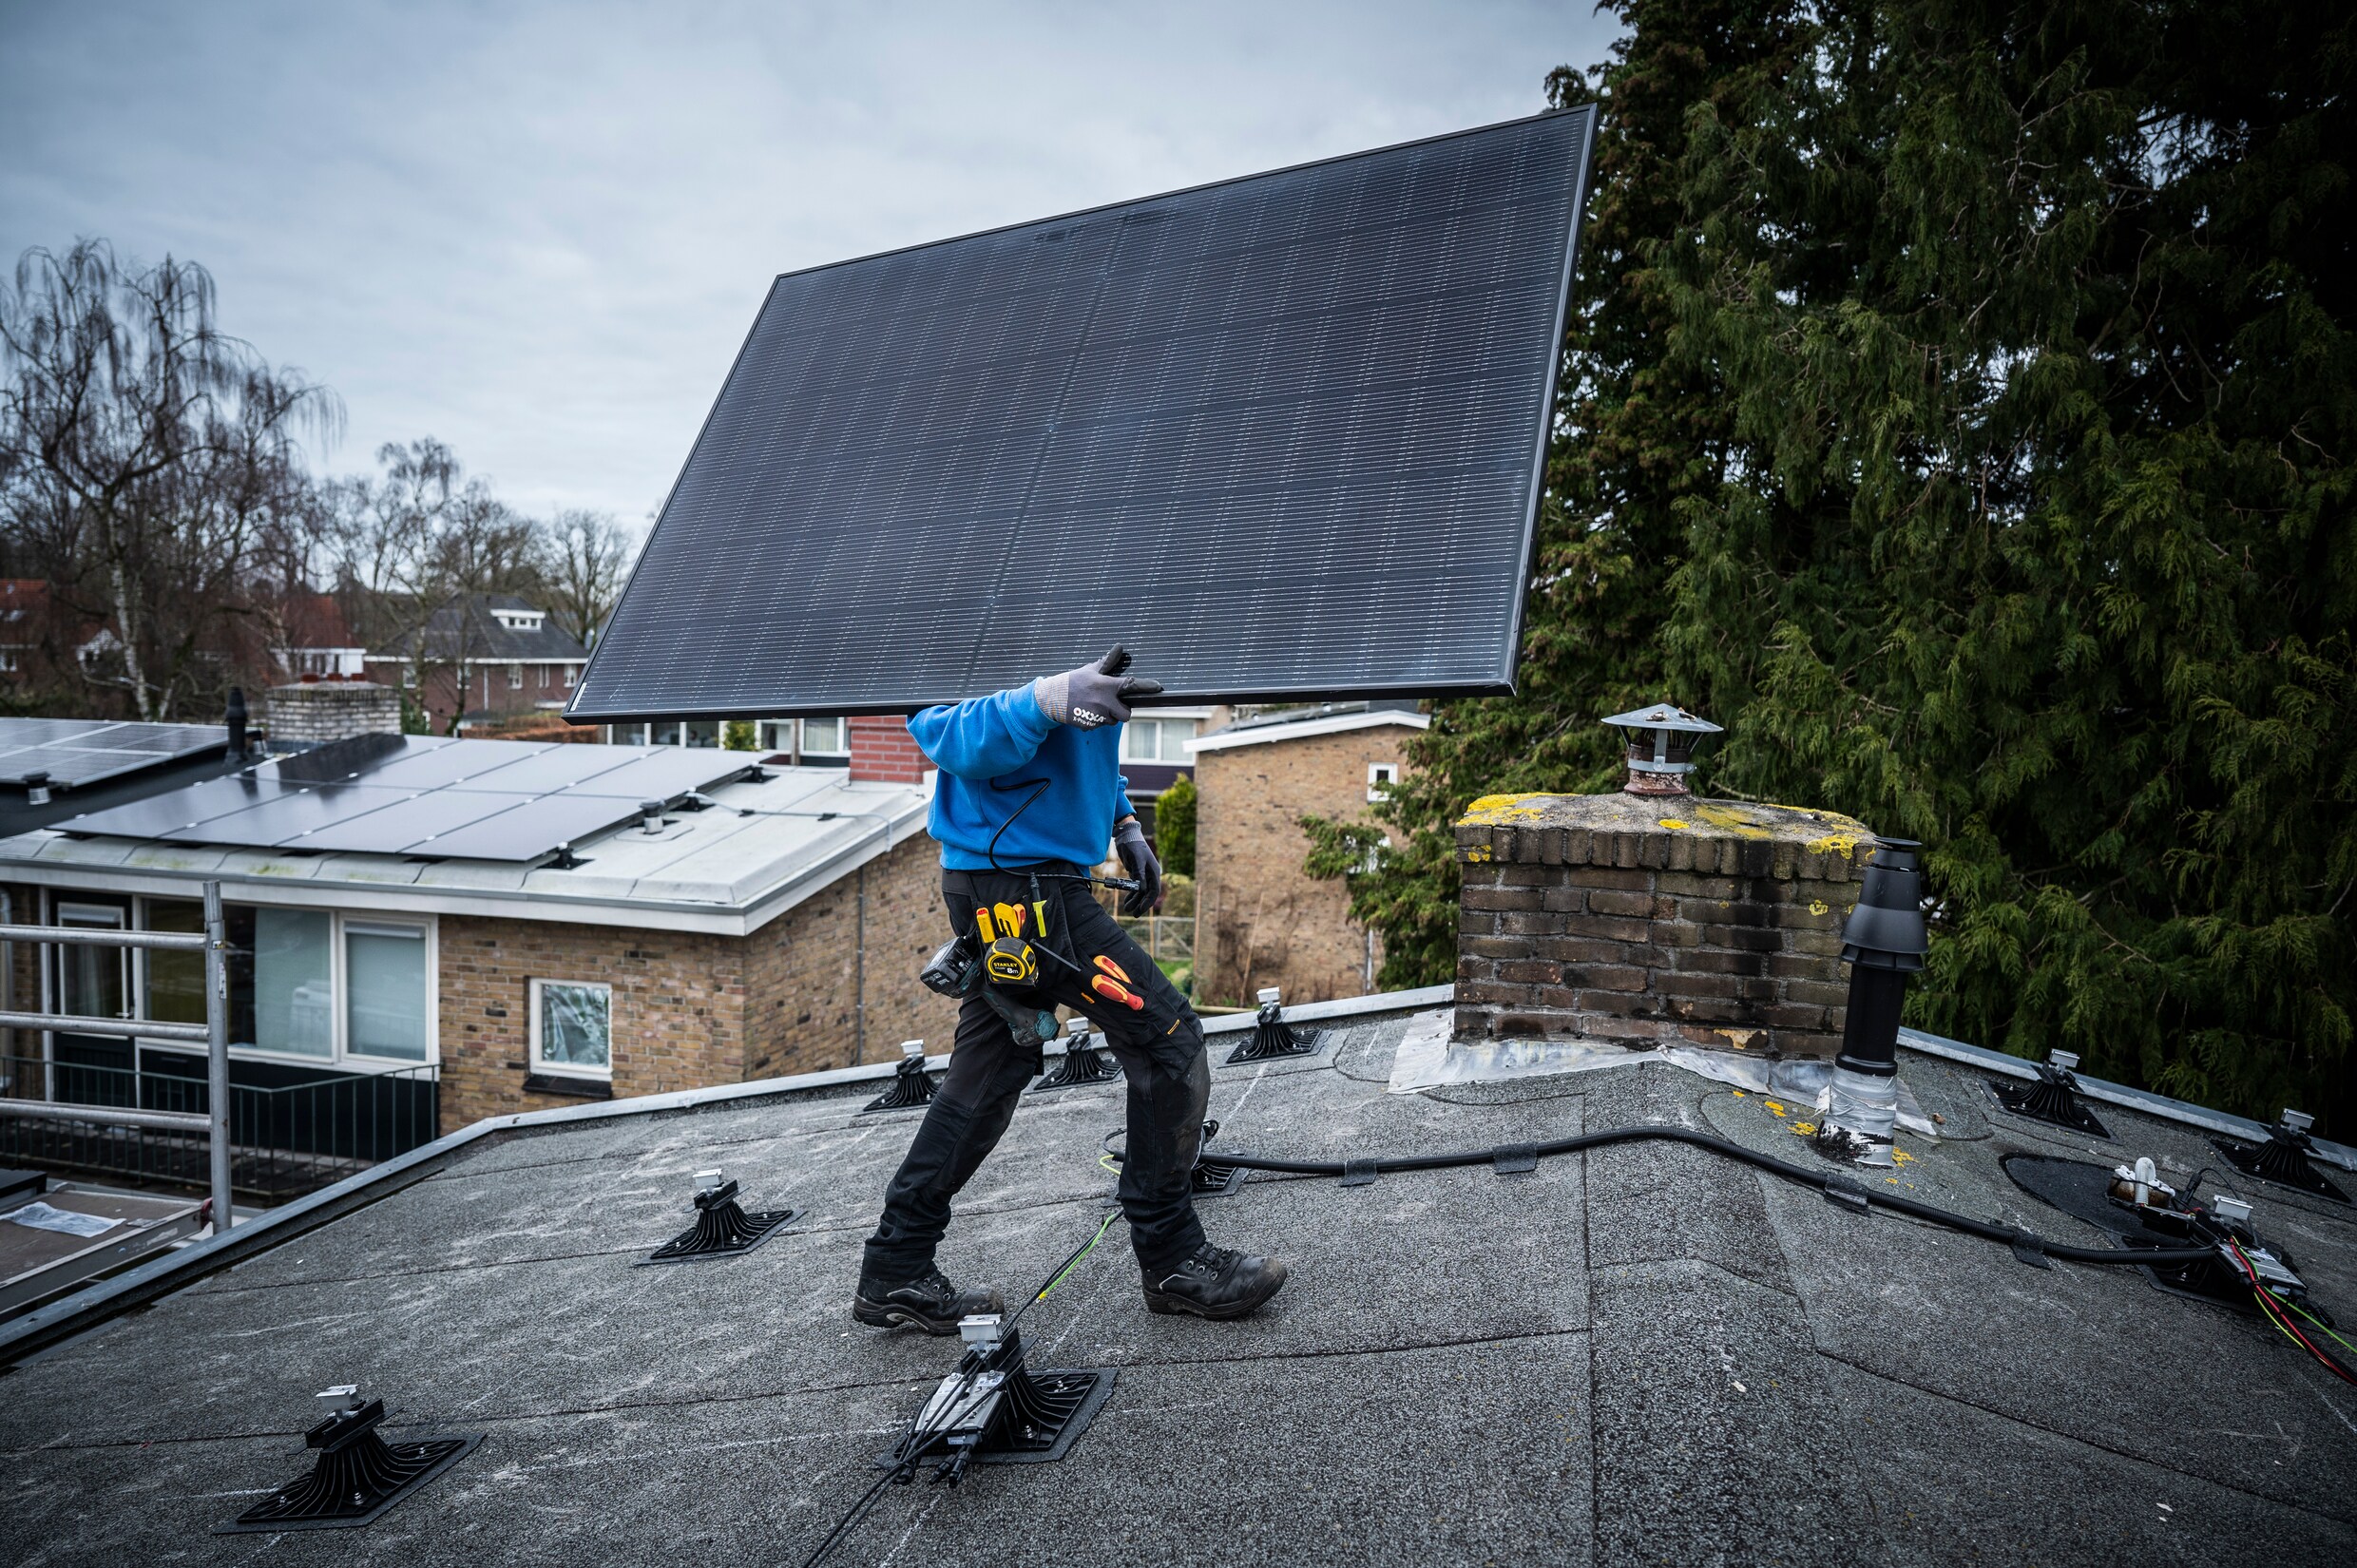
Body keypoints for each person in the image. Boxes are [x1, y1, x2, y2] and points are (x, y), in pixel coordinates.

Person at [854, 651, 1288, 1331]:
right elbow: (948, 737)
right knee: (1169, 1040)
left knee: (992, 1068)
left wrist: (1123, 823)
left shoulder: (1068, 610)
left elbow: (1084, 736)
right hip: (1022, 891)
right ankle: (1173, 1256)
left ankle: (895, 1267)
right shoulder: (963, 627)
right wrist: (1047, 697)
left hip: (1031, 885)